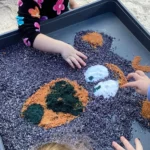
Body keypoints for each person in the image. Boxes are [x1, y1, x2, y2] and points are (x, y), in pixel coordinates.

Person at [17, 0, 87, 69]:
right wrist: (63, 48)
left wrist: (73, 5)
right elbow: (28, 35)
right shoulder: (28, 2)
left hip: (64, 25)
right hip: (45, 38)